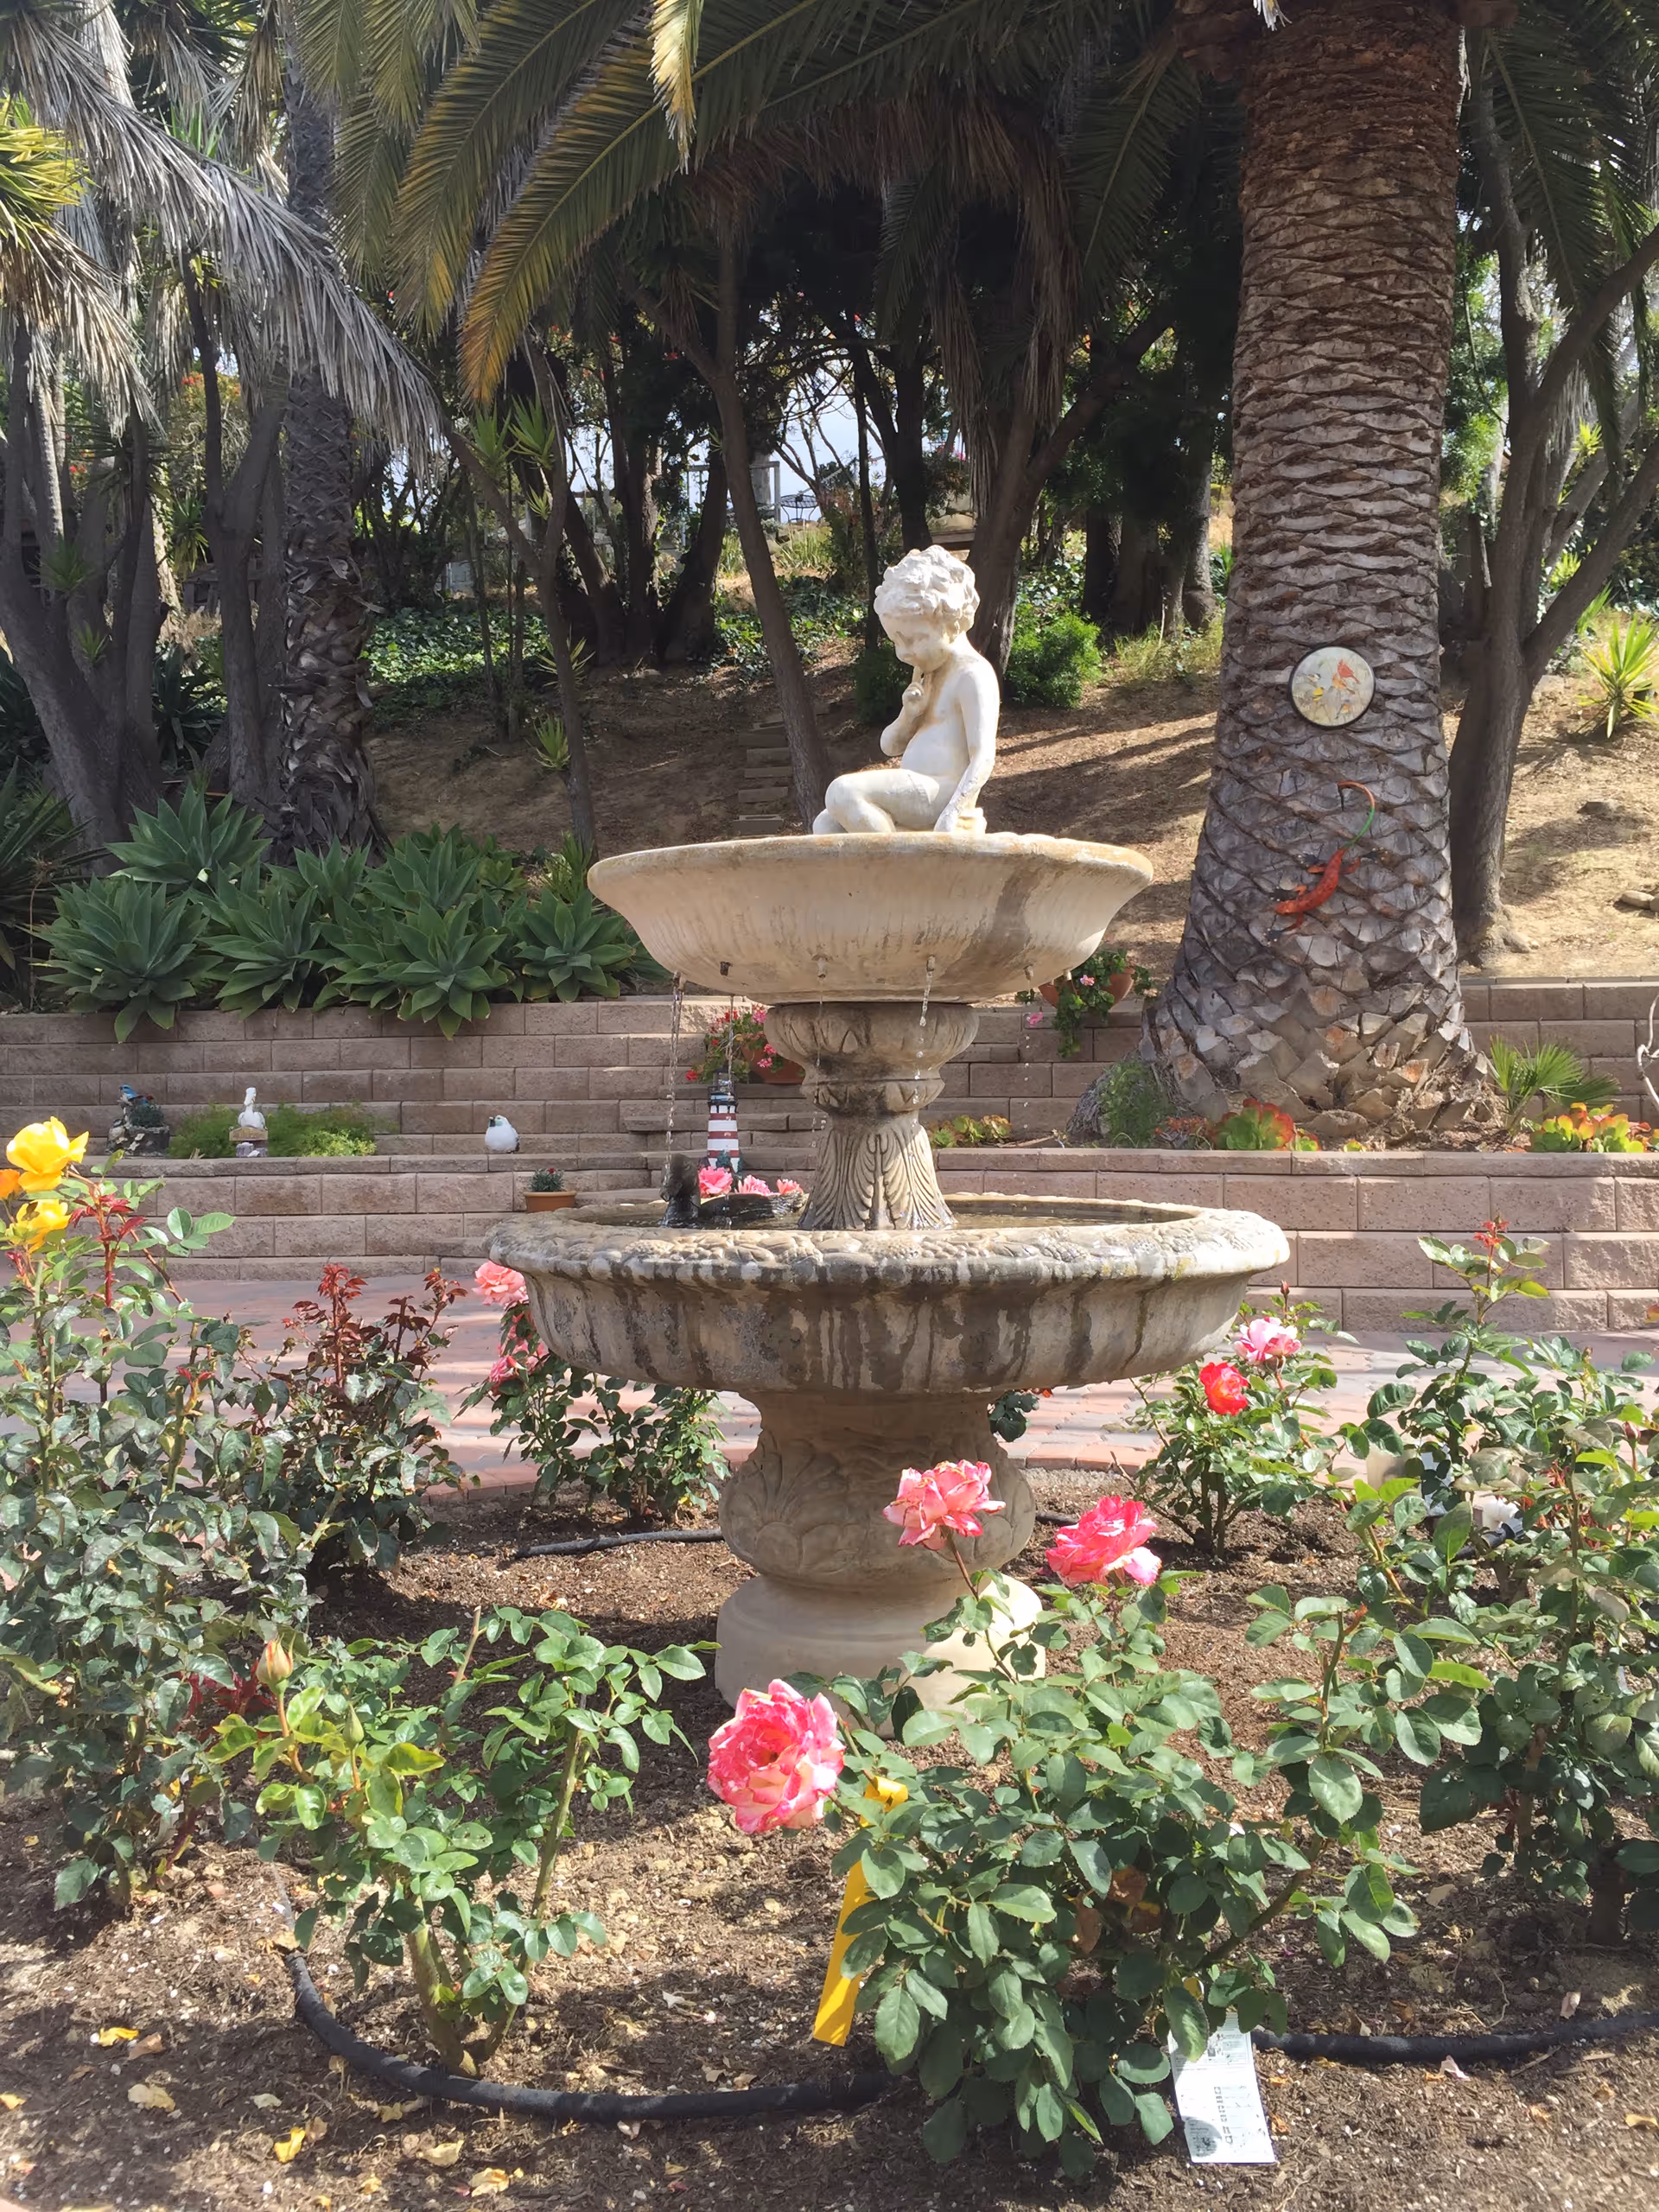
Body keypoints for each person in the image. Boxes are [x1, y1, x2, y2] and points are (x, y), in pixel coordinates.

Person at [813, 547, 998, 836]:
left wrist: (955, 811)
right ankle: (882, 861)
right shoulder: (928, 676)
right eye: (897, 642)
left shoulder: (972, 674)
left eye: (914, 639)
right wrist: (909, 715)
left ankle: (898, 860)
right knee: (826, 823)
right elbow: (890, 747)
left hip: (942, 792)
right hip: (916, 791)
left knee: (842, 792)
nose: (904, 653)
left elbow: (983, 756)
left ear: (952, 623)